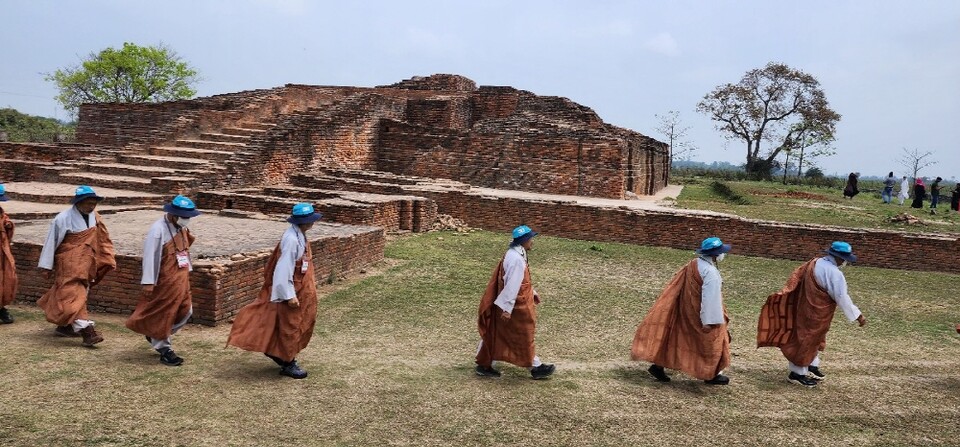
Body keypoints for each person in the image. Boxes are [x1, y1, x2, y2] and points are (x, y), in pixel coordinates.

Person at [227, 203, 323, 379]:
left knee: (293, 323)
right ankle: (287, 362)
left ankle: (280, 354)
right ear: (303, 222)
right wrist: (289, 295)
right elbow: (283, 269)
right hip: (292, 291)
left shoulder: (300, 235)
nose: (312, 223)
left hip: (301, 289)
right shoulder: (291, 240)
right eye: (310, 220)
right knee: (290, 326)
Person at [757, 241, 867, 387]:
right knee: (807, 339)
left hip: (804, 306)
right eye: (844, 259)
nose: (845, 262)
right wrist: (858, 315)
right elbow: (841, 297)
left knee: (814, 338)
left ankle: (811, 364)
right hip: (817, 312)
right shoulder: (835, 274)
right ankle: (797, 373)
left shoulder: (814, 262)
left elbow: (797, 277)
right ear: (839, 257)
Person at [631, 237, 732, 385]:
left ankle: (658, 366)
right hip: (702, 314)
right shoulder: (710, 273)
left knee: (677, 338)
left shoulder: (693, 264)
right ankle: (711, 374)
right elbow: (710, 299)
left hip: (686, 309)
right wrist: (709, 321)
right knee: (713, 341)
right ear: (715, 255)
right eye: (721, 252)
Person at [36, 186, 116, 347]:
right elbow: (52, 242)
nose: (92, 206)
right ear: (79, 202)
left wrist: (106, 257)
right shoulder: (62, 218)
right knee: (71, 294)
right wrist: (46, 266)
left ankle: (65, 326)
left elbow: (102, 239)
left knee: (77, 295)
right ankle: (88, 332)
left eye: (94, 203)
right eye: (89, 203)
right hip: (69, 263)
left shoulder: (95, 217)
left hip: (88, 262)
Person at [125, 196, 201, 366]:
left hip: (181, 278)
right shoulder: (158, 230)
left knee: (186, 310)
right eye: (184, 216)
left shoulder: (181, 228)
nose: (186, 219)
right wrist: (148, 282)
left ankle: (155, 333)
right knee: (164, 313)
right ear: (173, 215)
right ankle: (164, 349)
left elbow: (184, 251)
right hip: (165, 280)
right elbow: (150, 257)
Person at [475, 225, 555, 380]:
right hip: (516, 306)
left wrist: (532, 292)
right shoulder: (516, 259)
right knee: (523, 334)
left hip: (512, 302)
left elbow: (521, 281)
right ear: (524, 240)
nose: (532, 241)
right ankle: (535, 367)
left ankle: (485, 363)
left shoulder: (514, 254)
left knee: (497, 332)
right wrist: (507, 308)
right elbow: (512, 284)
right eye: (530, 238)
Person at [0, 184, 16, 325]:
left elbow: (4, 219)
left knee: (6, 280)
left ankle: (1, 308)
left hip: (2, 253)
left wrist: (7, 224)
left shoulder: (1, 212)